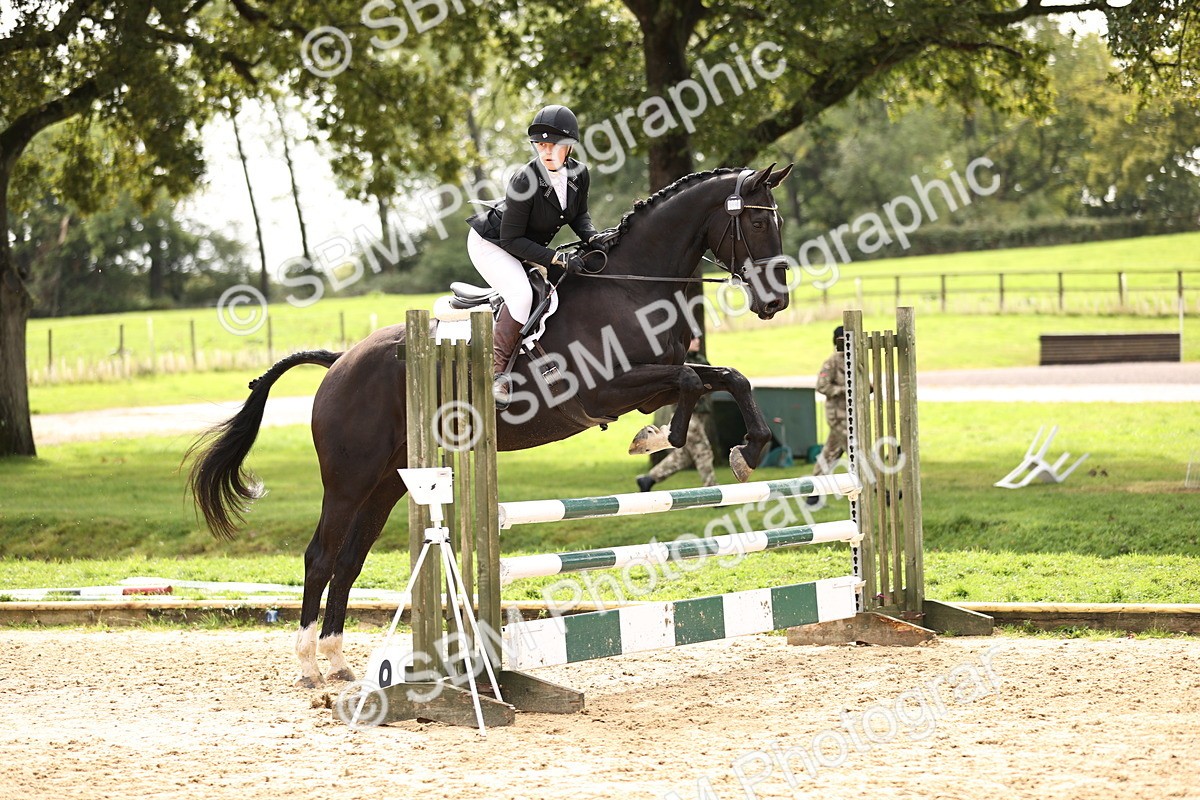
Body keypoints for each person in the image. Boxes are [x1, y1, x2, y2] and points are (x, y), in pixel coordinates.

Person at [466, 104, 602, 406]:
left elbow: (579, 216)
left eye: (553, 145)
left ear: (568, 147)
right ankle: (495, 374)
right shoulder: (524, 180)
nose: (546, 151)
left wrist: (593, 237)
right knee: (522, 295)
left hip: (523, 244)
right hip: (492, 244)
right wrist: (556, 258)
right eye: (541, 145)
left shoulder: (579, 174)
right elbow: (511, 239)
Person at [636, 336, 717, 491]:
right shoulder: (680, 362)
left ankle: (649, 479)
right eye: (692, 338)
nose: (697, 341)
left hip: (699, 414)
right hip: (688, 415)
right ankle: (712, 490)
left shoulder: (700, 360)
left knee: (682, 457)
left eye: (698, 338)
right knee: (703, 451)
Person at [808, 325, 847, 504]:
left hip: (850, 416)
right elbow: (821, 385)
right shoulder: (831, 362)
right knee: (859, 451)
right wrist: (843, 390)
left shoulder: (855, 360)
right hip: (838, 416)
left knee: (829, 454)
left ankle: (813, 492)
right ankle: (883, 492)